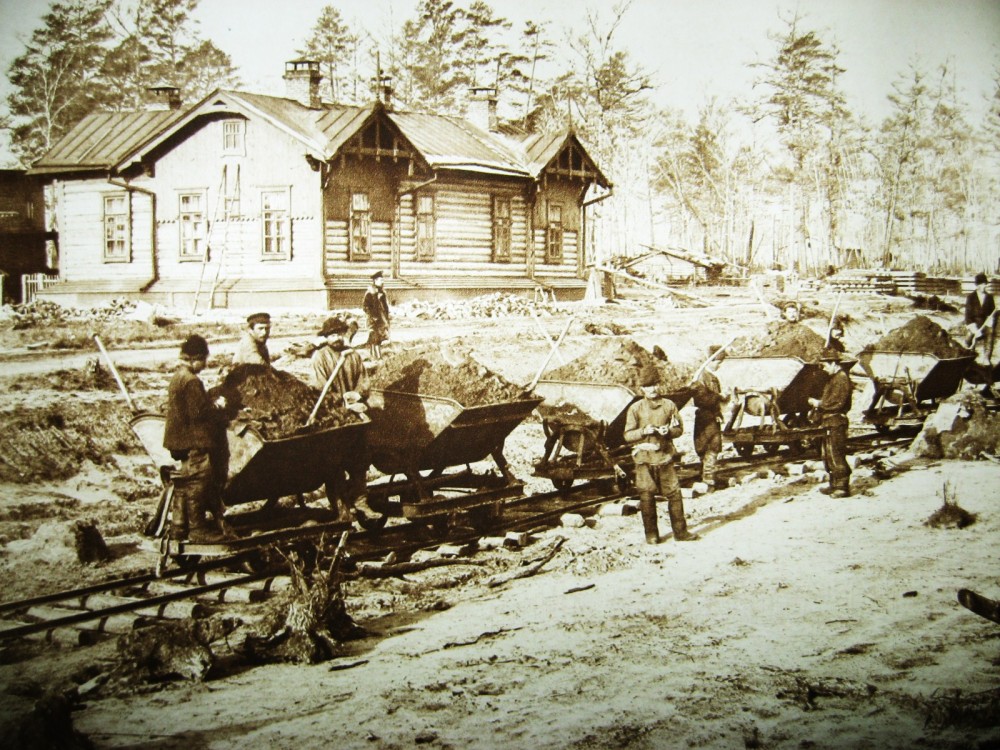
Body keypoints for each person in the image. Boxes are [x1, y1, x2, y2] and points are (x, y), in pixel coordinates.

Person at [163, 335, 234, 543]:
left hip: (179, 439)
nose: (205, 365)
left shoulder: (178, 376)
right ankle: (197, 529)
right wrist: (217, 406)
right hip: (192, 440)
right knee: (199, 480)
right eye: (204, 360)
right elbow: (199, 413)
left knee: (183, 482)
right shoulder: (192, 381)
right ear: (196, 358)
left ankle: (178, 527)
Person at [311, 315, 380, 527]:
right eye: (332, 335)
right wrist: (341, 401)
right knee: (335, 466)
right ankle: (341, 509)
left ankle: (361, 503)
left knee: (359, 463)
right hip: (333, 420)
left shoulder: (353, 356)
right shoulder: (320, 358)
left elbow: (363, 382)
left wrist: (358, 396)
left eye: (339, 333)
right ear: (326, 337)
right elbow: (319, 389)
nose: (337, 338)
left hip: (355, 418)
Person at [623, 365, 699, 544]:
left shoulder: (669, 405)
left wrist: (669, 431)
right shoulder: (636, 408)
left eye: (655, 384)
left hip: (664, 458)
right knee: (646, 497)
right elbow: (627, 435)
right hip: (644, 460)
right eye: (648, 386)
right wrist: (643, 431)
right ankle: (651, 535)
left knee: (674, 494)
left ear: (659, 385)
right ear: (642, 388)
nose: (652, 389)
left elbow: (679, 428)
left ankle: (681, 532)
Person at [808, 348, 853, 498]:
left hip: (836, 421)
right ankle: (834, 485)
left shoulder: (841, 379)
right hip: (829, 421)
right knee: (827, 455)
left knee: (836, 454)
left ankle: (842, 488)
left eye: (825, 365)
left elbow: (836, 402)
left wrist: (818, 403)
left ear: (833, 363)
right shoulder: (835, 378)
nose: (824, 369)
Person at [693, 345, 728, 490]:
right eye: (717, 363)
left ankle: (708, 477)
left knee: (712, 446)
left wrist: (718, 413)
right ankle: (708, 479)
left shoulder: (712, 378)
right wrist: (719, 397)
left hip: (712, 417)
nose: (719, 366)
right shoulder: (701, 377)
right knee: (710, 446)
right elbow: (701, 399)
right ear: (710, 361)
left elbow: (714, 403)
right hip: (704, 417)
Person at [964, 272, 996, 362]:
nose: (984, 286)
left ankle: (986, 358)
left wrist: (991, 321)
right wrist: (974, 330)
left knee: (990, 332)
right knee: (970, 336)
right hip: (974, 324)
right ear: (977, 285)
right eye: (982, 284)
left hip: (985, 324)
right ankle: (968, 356)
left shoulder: (989, 297)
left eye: (985, 284)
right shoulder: (971, 298)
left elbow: (992, 313)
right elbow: (967, 316)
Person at [363, 271, 391, 360]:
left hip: (381, 319)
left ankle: (378, 356)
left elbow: (385, 306)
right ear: (375, 281)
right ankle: (375, 356)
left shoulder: (382, 292)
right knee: (374, 337)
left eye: (382, 280)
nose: (381, 282)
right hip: (373, 319)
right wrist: (373, 317)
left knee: (379, 338)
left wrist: (387, 315)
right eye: (379, 280)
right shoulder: (370, 293)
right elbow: (366, 307)